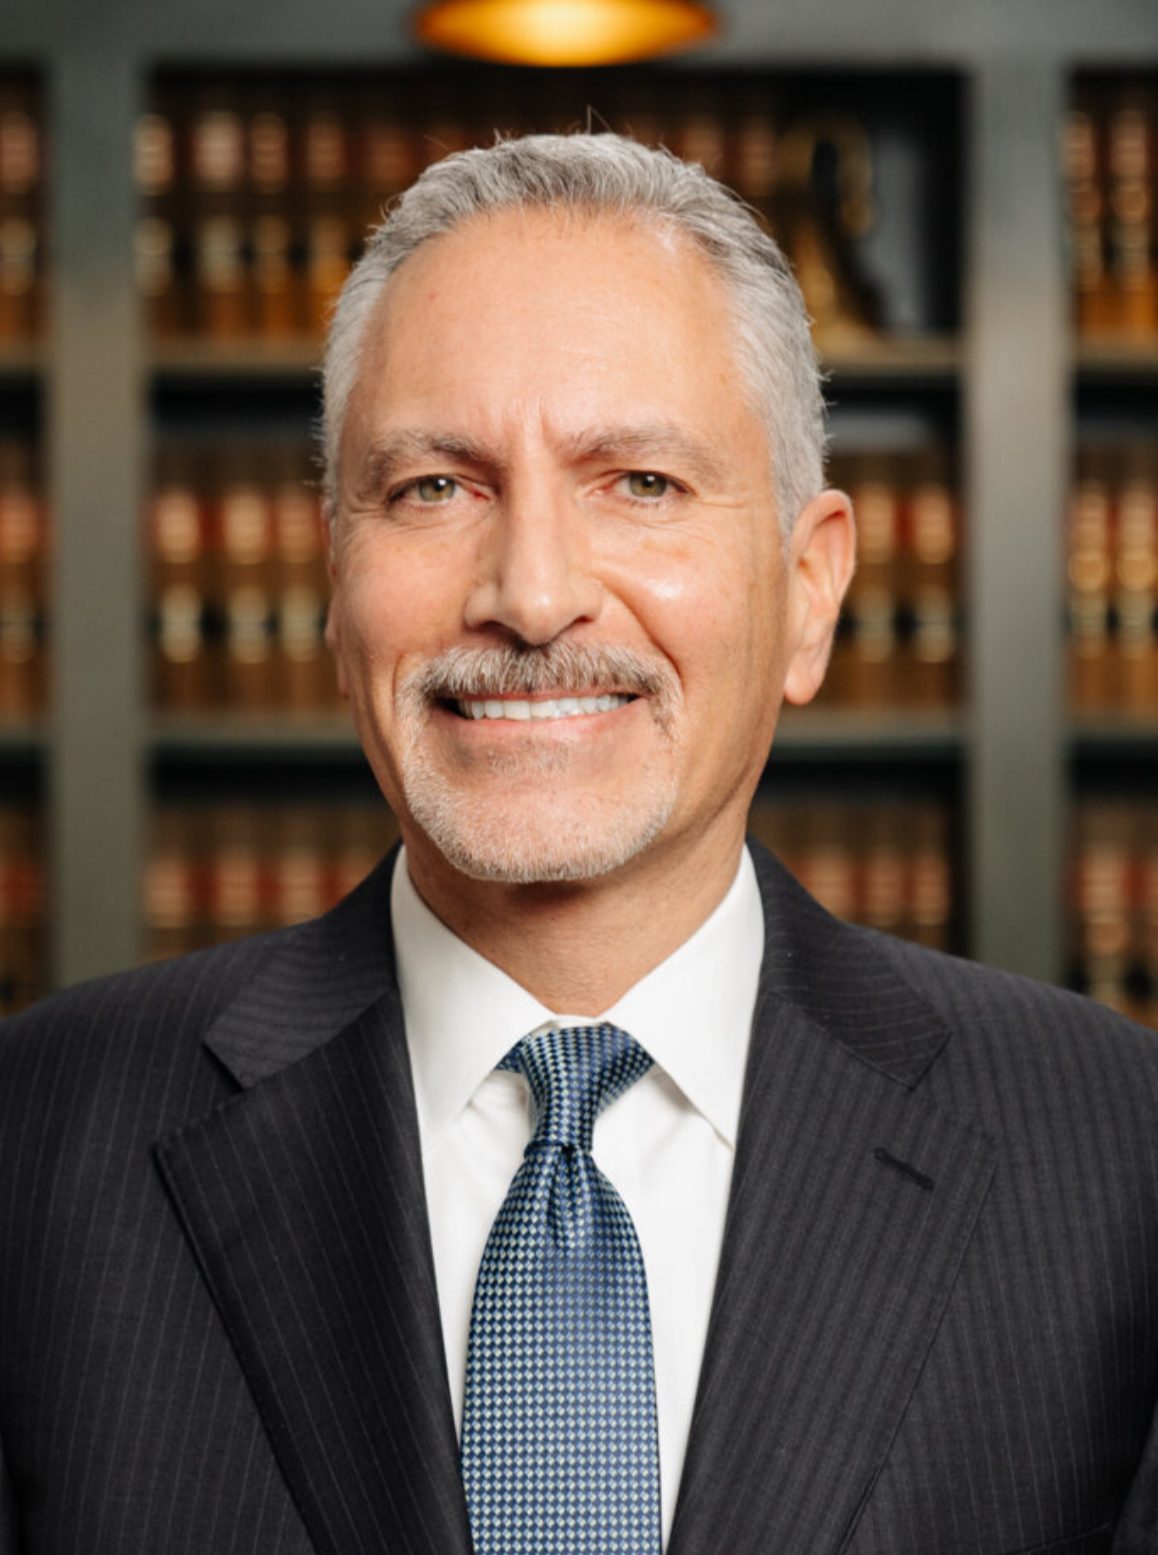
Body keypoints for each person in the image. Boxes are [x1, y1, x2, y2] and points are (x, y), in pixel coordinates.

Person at [2, 132, 1157, 1555]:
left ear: (808, 593)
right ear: (331, 579)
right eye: (435, 487)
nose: (532, 595)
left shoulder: (1116, 1155)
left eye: (639, 484)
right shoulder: (38, 1141)